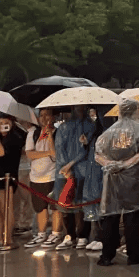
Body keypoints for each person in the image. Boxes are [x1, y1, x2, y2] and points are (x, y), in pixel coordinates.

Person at [94, 98, 139, 267]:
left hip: (111, 180)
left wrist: (110, 165)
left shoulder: (108, 132)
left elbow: (97, 154)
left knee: (110, 217)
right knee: (132, 218)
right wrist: (126, 164)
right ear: (135, 111)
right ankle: (134, 255)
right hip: (132, 179)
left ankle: (106, 256)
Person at [51, 106, 101, 251]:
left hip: (83, 170)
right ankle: (70, 234)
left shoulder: (91, 126)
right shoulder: (64, 127)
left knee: (82, 204)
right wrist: (67, 167)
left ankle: (82, 235)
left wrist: (69, 165)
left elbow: (89, 149)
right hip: (67, 171)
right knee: (66, 203)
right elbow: (59, 148)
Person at [0, 113, 26, 248]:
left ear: (11, 123)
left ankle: (8, 238)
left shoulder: (15, 137)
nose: (2, 126)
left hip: (6, 177)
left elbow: (1, 153)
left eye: (5, 123)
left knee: (6, 208)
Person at [24, 108, 62, 249]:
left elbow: (55, 155)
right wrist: (46, 152)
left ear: (53, 117)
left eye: (47, 115)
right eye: (41, 115)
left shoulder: (58, 132)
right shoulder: (33, 133)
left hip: (52, 175)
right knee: (40, 208)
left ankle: (56, 233)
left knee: (55, 207)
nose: (44, 118)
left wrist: (50, 136)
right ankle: (41, 233)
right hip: (36, 177)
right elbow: (30, 154)